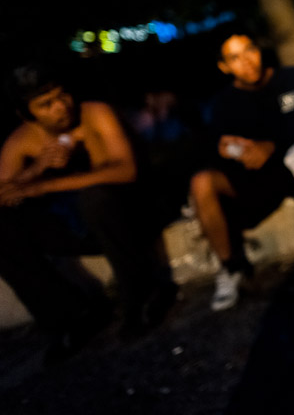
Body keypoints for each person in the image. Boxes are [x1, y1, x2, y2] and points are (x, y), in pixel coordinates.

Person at [0, 63, 176, 359]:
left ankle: (143, 294)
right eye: (46, 104)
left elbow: (126, 170)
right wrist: (37, 170)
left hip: (128, 217)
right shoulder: (21, 142)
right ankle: (71, 315)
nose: (61, 107)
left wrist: (46, 187)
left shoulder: (95, 114)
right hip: (76, 227)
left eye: (62, 96)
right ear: (26, 114)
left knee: (96, 198)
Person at [189, 31, 294, 311]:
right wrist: (227, 149)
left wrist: (271, 145)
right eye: (234, 58)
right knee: (201, 181)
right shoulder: (224, 102)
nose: (247, 61)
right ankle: (230, 268)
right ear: (224, 67)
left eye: (250, 50)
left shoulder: (290, 78)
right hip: (254, 181)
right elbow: (217, 143)